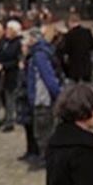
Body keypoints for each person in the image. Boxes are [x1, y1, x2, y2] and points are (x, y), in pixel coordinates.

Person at [24, 28, 62, 168]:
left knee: (43, 130)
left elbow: (48, 78)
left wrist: (57, 95)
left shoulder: (39, 55)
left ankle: (46, 158)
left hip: (42, 98)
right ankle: (44, 155)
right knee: (41, 129)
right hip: (38, 98)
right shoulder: (37, 54)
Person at [0, 21, 22, 132]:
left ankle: (9, 121)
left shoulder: (17, 44)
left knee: (9, 98)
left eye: (9, 29)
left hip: (10, 74)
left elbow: (17, 61)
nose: (6, 31)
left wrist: (4, 66)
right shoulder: (3, 42)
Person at [57, 12, 93, 83]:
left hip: (74, 70)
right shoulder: (87, 32)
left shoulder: (68, 35)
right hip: (86, 68)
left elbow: (64, 51)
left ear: (70, 22)